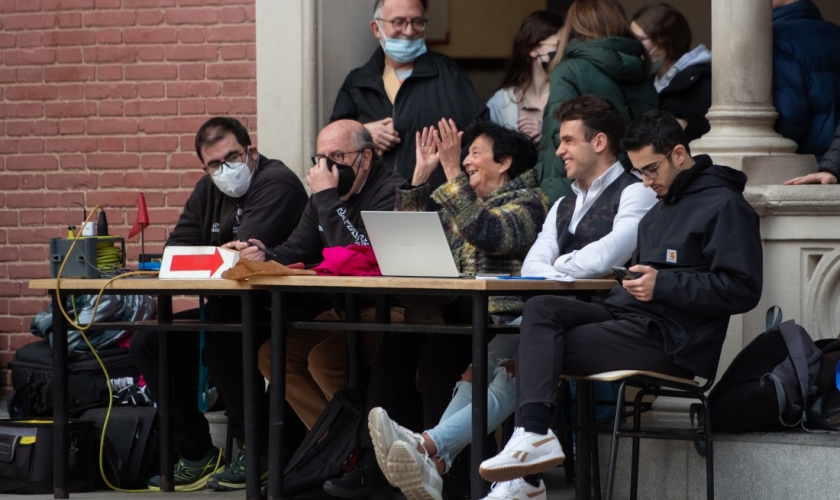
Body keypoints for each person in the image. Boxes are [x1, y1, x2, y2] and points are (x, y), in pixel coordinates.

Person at [366, 96, 657, 500]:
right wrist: (418, 182)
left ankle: (431, 449)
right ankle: (435, 458)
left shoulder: (632, 192)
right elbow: (534, 264)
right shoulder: (564, 202)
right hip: (539, 316)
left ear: (600, 141)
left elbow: (606, 256)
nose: (559, 150)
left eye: (568, 140)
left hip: (603, 318)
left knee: (505, 363)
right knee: (468, 362)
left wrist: (558, 265)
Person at [477, 110, 763, 500]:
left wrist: (663, 284)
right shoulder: (661, 204)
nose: (645, 181)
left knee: (540, 349)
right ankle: (532, 444)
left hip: (673, 341)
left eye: (650, 169)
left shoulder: (724, 205)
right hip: (629, 316)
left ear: (679, 154)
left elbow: (743, 289)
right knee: (541, 310)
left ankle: (526, 477)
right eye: (639, 172)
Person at [129, 117, 308, 491]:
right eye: (214, 164)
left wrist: (210, 255)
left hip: (283, 308)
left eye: (233, 157)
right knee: (151, 340)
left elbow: (244, 257)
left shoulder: (277, 182)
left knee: (224, 344)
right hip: (228, 306)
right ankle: (196, 453)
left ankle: (259, 452)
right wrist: (216, 254)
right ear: (204, 168)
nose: (225, 169)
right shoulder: (206, 190)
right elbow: (173, 253)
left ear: (251, 151)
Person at [240, 119, 406, 431]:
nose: (327, 167)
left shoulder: (392, 192)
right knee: (273, 355)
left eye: (337, 157)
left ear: (365, 158)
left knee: (324, 361)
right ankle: (336, 442)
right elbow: (298, 249)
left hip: (388, 308)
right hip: (343, 309)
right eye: (321, 158)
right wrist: (264, 254)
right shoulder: (322, 197)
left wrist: (328, 198)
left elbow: (359, 259)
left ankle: (367, 443)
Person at [330, 0, 487, 189]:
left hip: (436, 201)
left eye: (417, 22)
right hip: (375, 201)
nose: (410, 31)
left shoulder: (448, 75)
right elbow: (331, 148)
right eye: (399, 22)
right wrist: (362, 134)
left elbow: (482, 136)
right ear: (377, 28)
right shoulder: (358, 82)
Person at [535, 0, 658, 205]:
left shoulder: (569, 70)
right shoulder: (640, 72)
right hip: (635, 185)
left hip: (573, 187)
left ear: (575, 25)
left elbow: (562, 135)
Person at [631, 3, 712, 142]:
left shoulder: (700, 83)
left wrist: (686, 124)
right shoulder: (645, 82)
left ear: (663, 43)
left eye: (639, 40)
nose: (632, 45)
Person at [772, 0, 840, 157]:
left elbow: (790, 119)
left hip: (808, 165)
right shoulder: (836, 33)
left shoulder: (775, 39)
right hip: (830, 163)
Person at [487, 11, 564, 141]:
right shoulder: (502, 103)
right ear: (532, 49)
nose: (562, 52)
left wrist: (545, 135)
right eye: (557, 45)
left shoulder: (568, 96)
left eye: (565, 46)